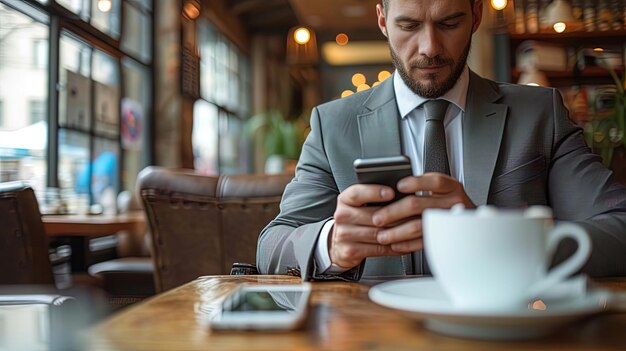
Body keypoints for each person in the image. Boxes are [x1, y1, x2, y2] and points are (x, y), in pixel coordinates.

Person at [256, 0, 626, 281]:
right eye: (409, 25)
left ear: (476, 16)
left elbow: (619, 227)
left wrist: (494, 237)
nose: (430, 47)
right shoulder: (333, 124)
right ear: (383, 19)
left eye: (449, 23)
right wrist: (331, 243)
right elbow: (273, 245)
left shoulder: (539, 113)